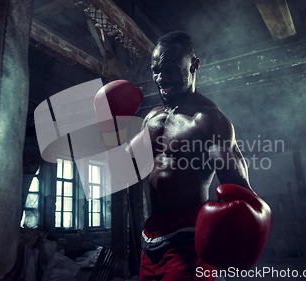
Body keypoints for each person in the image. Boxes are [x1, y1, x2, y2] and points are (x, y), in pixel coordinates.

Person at [95, 31, 272, 281]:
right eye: (156, 70)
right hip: (150, 239)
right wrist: (109, 125)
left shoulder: (209, 121)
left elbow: (242, 192)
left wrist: (247, 227)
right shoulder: (153, 118)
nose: (161, 78)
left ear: (194, 65)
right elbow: (123, 170)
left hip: (187, 242)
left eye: (170, 69)